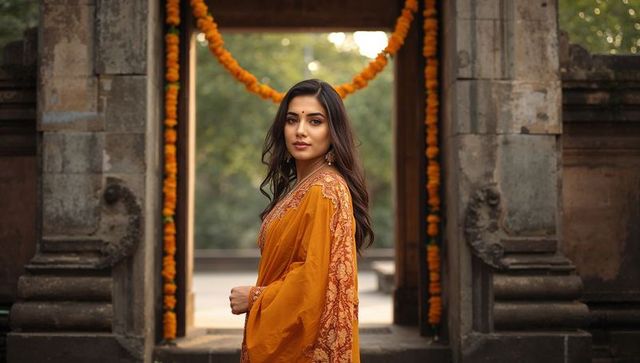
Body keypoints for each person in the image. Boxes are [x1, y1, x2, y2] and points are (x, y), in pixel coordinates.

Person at [228, 79, 374, 362]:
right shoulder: (306, 186)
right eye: (292, 120)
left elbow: (313, 280)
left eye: (315, 121)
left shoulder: (325, 190)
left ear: (333, 132)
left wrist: (257, 298)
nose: (300, 131)